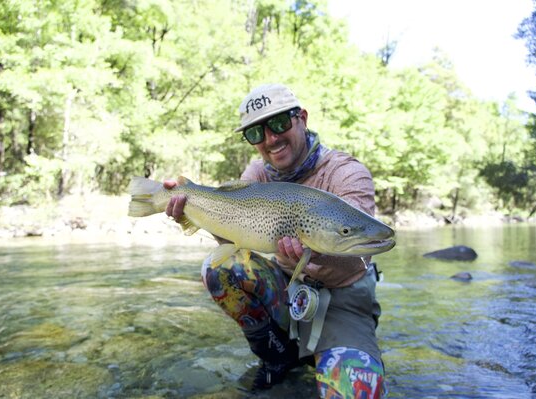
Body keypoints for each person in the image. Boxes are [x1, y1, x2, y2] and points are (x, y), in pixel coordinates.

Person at [164, 83, 386, 398]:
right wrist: (191, 213)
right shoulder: (258, 173)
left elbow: (356, 256)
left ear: (302, 118)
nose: (271, 139)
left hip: (343, 302)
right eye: (256, 133)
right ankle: (277, 357)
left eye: (280, 123)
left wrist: (312, 256)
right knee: (219, 267)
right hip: (285, 291)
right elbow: (232, 234)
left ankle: (327, 352)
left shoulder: (347, 173)